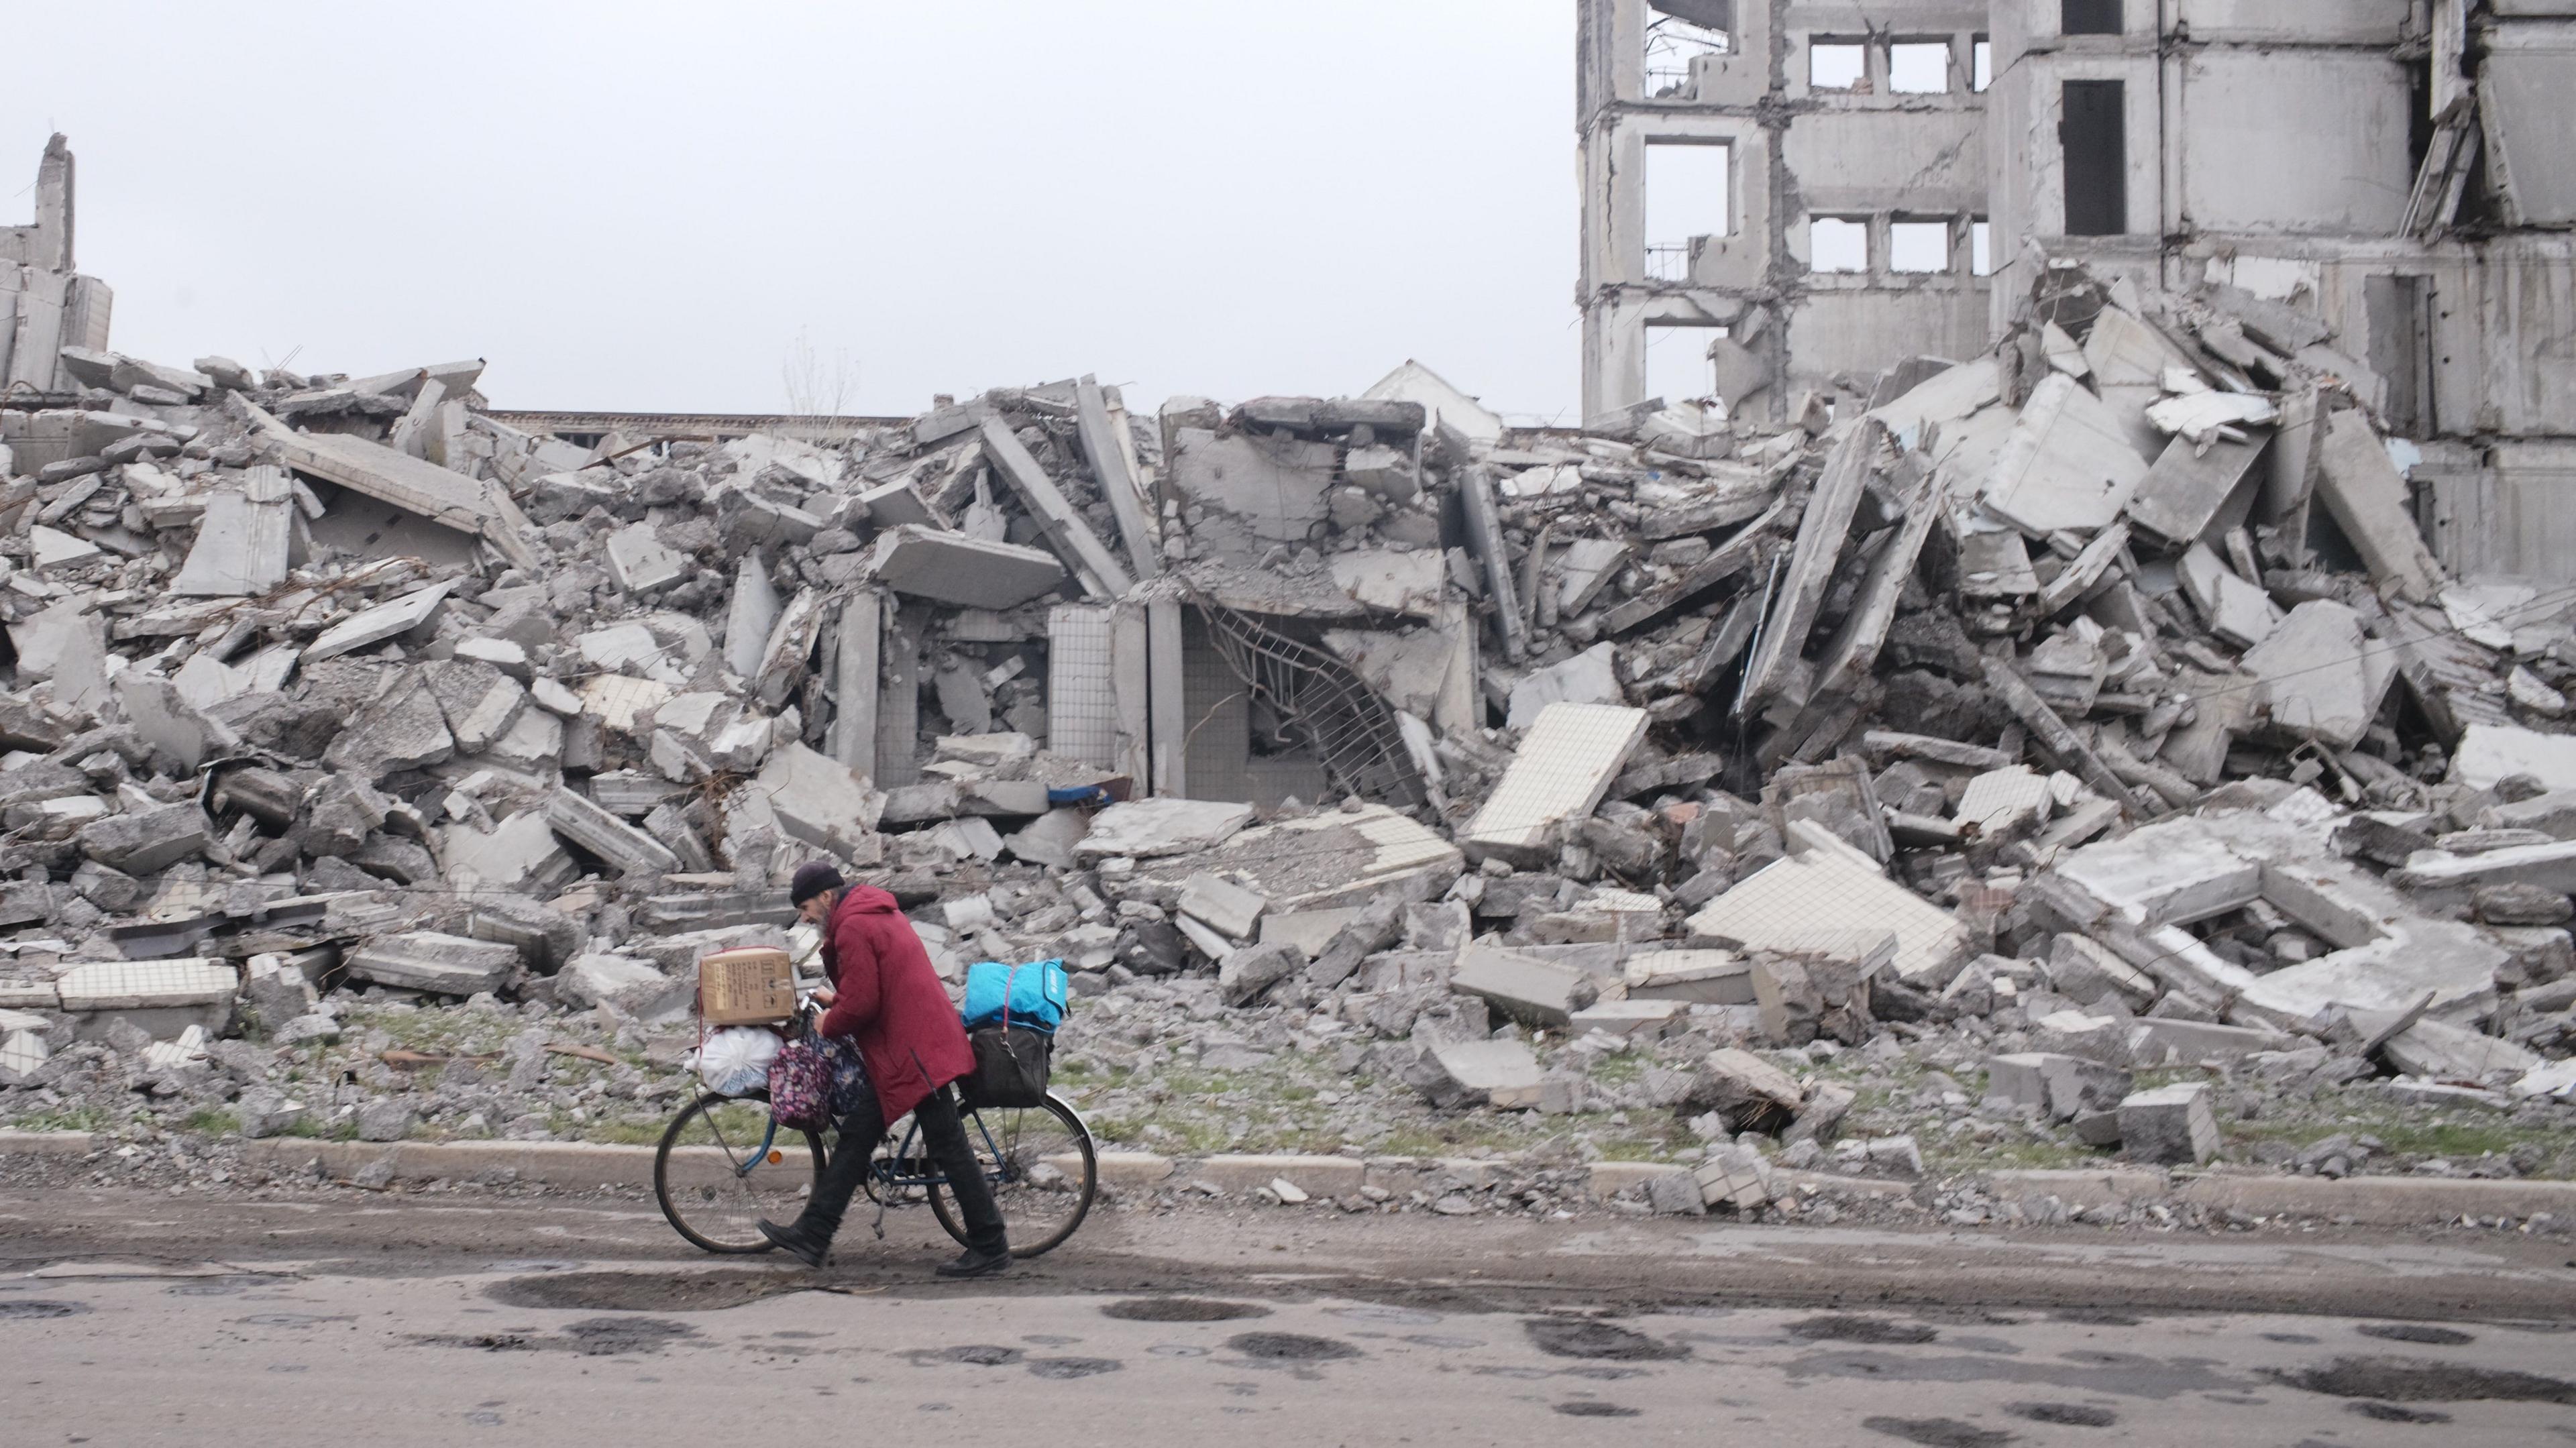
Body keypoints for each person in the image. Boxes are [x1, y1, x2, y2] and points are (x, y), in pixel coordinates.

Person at [759, 862, 1011, 1277]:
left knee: (947, 1146)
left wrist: (831, 1020)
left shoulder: (855, 926)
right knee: (861, 1135)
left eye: (805, 908)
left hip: (913, 1052)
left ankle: (991, 1246)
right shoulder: (871, 911)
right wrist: (836, 999)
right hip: (917, 1041)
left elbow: (864, 1004)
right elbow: (877, 985)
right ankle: (815, 1233)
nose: (804, 918)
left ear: (825, 897)